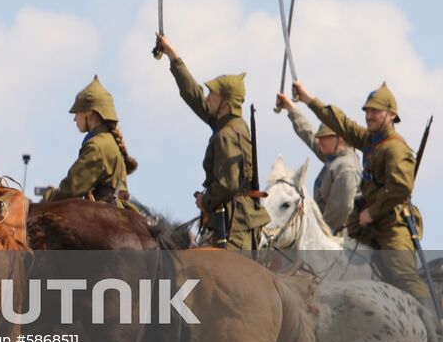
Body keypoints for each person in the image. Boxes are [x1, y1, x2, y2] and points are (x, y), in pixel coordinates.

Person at [291, 81, 428, 304]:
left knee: (403, 274)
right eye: (367, 110)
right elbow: (340, 122)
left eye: (375, 111)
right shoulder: (369, 140)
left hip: (391, 220)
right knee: (331, 250)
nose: (369, 115)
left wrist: (372, 213)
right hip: (365, 217)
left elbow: (401, 186)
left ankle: (433, 321)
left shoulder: (395, 147)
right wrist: (307, 99)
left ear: (392, 115)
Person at [156, 34, 268, 251]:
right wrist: (173, 55)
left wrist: (205, 201)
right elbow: (194, 96)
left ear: (225, 103)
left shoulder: (226, 134)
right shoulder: (233, 124)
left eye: (212, 95)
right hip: (238, 221)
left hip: (234, 226)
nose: (207, 98)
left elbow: (228, 184)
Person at [275, 92, 362, 235]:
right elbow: (309, 134)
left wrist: (315, 235)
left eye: (323, 137)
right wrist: (291, 109)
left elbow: (339, 209)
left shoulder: (346, 167)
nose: (319, 140)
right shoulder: (335, 157)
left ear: (339, 138)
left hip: (340, 242)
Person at [44, 77, 137, 207]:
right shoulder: (109, 140)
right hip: (116, 209)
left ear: (89, 112)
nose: (74, 118)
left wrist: (47, 196)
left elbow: (70, 190)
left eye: (77, 112)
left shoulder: (97, 146)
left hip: (106, 213)